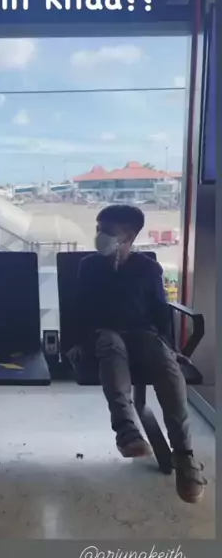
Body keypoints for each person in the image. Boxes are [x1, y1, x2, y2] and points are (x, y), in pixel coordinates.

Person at [69, 204, 206, 504]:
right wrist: (77, 342)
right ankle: (126, 431)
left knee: (166, 365)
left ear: (129, 236)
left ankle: (184, 456)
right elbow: (78, 309)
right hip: (104, 333)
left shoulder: (147, 269)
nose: (99, 235)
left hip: (142, 333)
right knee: (111, 345)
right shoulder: (90, 266)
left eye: (107, 231)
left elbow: (159, 312)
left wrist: (172, 348)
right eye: (98, 229)